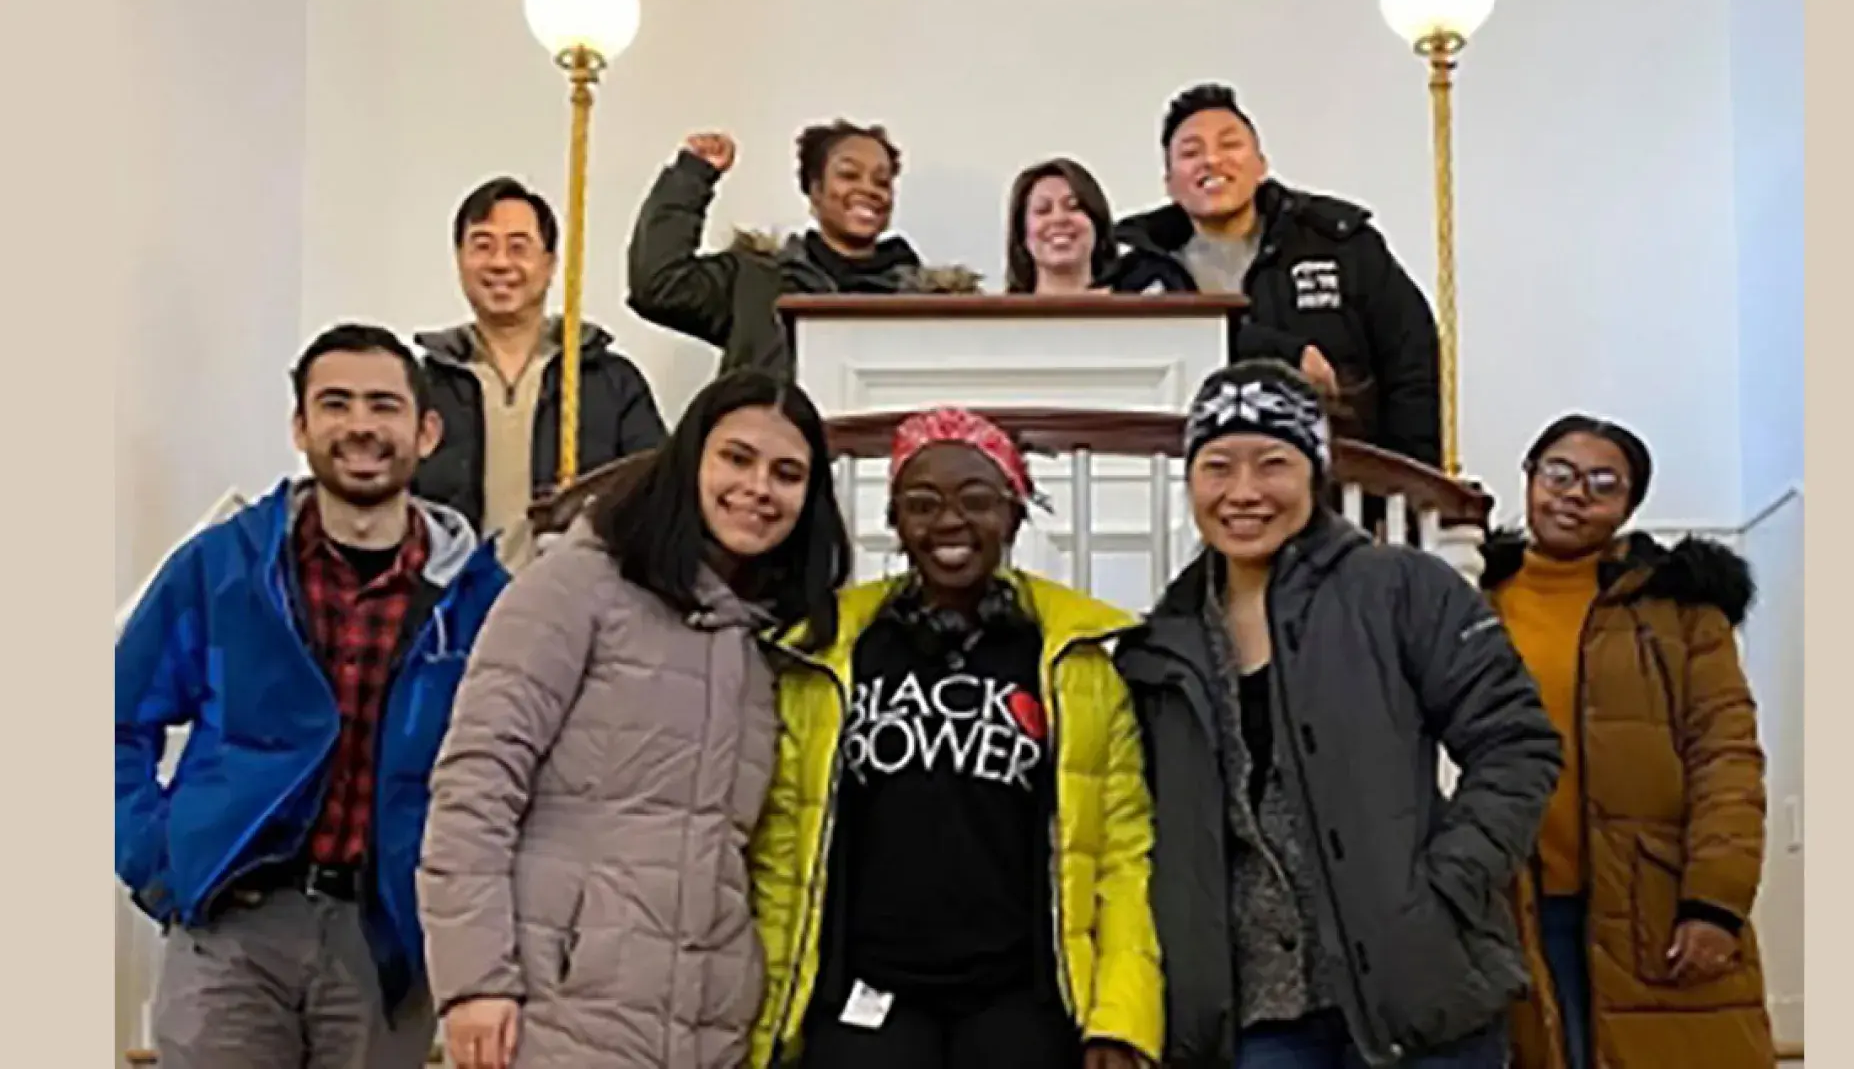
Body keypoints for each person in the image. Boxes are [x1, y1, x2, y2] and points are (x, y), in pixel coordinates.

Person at [1113, 360, 1562, 1068]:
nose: (1244, 492)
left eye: (1273, 464)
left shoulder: (1402, 588)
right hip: (1260, 1013)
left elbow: (1517, 744)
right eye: (1217, 466)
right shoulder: (1162, 644)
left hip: (1418, 988)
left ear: (1315, 472)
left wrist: (1449, 882)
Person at [417, 368, 853, 1069]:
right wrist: (473, 980)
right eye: (736, 458)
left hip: (707, 1021)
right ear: (689, 462)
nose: (758, 489)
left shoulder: (777, 641)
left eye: (786, 473)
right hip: (559, 1003)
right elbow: (477, 781)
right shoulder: (578, 585)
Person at [114, 323, 511, 1068]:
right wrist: (157, 858)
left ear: (425, 431)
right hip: (233, 930)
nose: (360, 425)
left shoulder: (482, 602)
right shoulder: (221, 567)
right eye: (336, 404)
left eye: (383, 406)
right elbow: (110, 721)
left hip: (387, 940)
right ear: (301, 428)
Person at [749, 407, 1162, 1069]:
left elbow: (1118, 854)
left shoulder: (1074, 662)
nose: (948, 522)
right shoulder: (825, 657)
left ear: (1015, 516)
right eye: (921, 503)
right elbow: (779, 849)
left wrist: (1120, 1016)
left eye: (976, 500)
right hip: (866, 994)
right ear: (894, 522)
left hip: (1021, 1000)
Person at [1483, 415, 1774, 1069]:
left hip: (1654, 896)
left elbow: (1725, 756)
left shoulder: (1679, 606)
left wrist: (1715, 902)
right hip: (1518, 900)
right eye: (1558, 473)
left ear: (1628, 507)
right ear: (1529, 477)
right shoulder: (1477, 597)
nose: (1574, 494)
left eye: (1603, 483)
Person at [1109, 83, 1442, 468]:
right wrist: (1285, 353)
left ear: (1261, 165)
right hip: (1188, 489)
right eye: (1190, 152)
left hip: (1340, 488)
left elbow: (1410, 360)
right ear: (1169, 182)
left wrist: (1413, 483)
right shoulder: (1139, 275)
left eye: (1229, 144)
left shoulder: (1340, 243)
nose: (1212, 161)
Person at [414, 176, 667, 574]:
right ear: (459, 258)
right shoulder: (423, 386)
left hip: (571, 604)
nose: (500, 263)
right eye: (482, 245)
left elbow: (658, 498)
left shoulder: (610, 382)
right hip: (451, 612)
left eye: (519, 247)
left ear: (549, 265)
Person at [628, 120, 982, 378]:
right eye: (848, 174)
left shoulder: (926, 303)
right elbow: (659, 285)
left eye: (882, 181)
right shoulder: (758, 280)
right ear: (814, 191)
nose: (869, 190)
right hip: (770, 469)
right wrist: (692, 177)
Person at [1005, 157, 1119, 294]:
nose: (1059, 218)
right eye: (1043, 210)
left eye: (1073, 206)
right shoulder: (1001, 314)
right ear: (1022, 233)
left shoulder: (1136, 312)